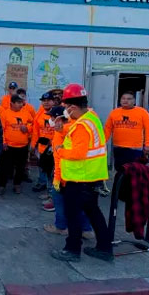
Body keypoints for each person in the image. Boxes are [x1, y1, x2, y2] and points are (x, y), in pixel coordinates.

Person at [51, 83, 113, 262]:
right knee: (93, 212)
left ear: (73, 107)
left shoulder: (82, 126)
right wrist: (62, 129)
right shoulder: (91, 118)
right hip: (91, 177)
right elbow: (75, 133)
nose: (65, 111)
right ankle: (104, 248)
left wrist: (60, 150)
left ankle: (72, 250)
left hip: (79, 179)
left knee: (73, 215)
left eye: (66, 107)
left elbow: (78, 153)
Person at [42, 106, 94, 239]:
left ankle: (61, 227)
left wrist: (57, 178)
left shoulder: (65, 131)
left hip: (65, 174)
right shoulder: (73, 128)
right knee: (81, 203)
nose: (50, 120)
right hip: (78, 173)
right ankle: (86, 229)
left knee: (59, 201)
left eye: (52, 117)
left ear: (59, 118)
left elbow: (60, 157)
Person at [105, 91, 149, 172]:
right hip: (118, 147)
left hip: (135, 149)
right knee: (120, 170)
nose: (125, 101)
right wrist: (102, 142)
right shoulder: (114, 112)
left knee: (134, 172)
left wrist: (148, 144)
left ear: (134, 101)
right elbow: (107, 129)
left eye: (129, 99)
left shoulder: (142, 112)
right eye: (123, 98)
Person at [0, 94, 33, 194]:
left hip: (23, 146)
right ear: (12, 103)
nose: (21, 104)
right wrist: (3, 142)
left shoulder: (26, 113)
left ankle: (17, 185)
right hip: (8, 146)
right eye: (18, 103)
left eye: (21, 102)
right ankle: (2, 185)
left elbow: (33, 123)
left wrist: (27, 128)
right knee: (5, 167)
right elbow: (1, 129)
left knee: (20, 167)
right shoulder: (5, 113)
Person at [31, 91, 57, 193]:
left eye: (48, 100)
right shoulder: (39, 114)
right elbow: (35, 131)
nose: (46, 102)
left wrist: (53, 142)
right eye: (44, 101)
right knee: (41, 166)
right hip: (42, 146)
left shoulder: (58, 113)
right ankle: (42, 183)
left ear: (53, 101)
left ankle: (51, 189)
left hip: (54, 148)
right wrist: (33, 145)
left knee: (52, 169)